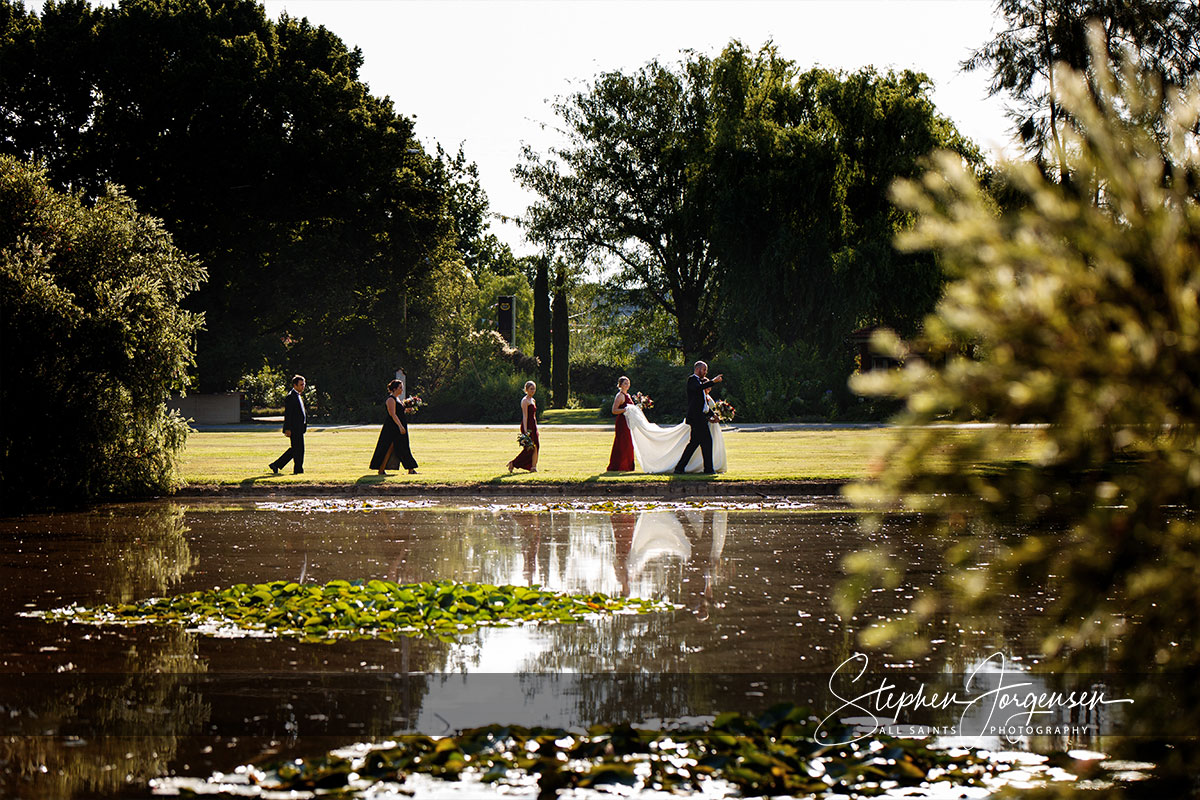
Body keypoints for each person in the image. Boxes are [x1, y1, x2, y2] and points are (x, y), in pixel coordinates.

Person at [674, 361, 723, 474]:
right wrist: (713, 381)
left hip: (699, 417)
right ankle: (708, 469)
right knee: (707, 442)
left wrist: (712, 415)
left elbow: (703, 406)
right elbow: (698, 388)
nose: (705, 372)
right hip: (697, 419)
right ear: (697, 369)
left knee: (693, 444)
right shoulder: (692, 380)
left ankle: (679, 468)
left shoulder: (699, 383)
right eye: (704, 370)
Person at [369, 378, 418, 475]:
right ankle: (381, 469)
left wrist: (407, 410)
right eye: (400, 388)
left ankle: (411, 469)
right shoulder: (390, 399)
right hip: (392, 427)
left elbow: (399, 411)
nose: (402, 390)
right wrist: (400, 426)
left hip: (399, 426)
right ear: (394, 389)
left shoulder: (398, 399)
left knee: (403, 447)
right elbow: (393, 414)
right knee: (388, 447)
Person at [269, 375, 307, 475]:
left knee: (297, 449)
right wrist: (287, 428)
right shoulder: (291, 397)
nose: (303, 386)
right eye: (301, 384)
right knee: (297, 449)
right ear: (295, 385)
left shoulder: (297, 395)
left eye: (304, 384)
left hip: (299, 428)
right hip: (294, 428)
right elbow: (288, 415)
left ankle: (276, 465)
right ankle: (297, 470)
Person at [506, 380, 539, 473]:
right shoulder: (525, 401)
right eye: (531, 389)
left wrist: (536, 427)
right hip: (527, 426)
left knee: (537, 446)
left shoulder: (533, 400)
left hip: (533, 426)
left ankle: (533, 467)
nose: (533, 391)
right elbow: (525, 416)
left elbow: (534, 416)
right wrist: (525, 431)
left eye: (534, 389)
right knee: (529, 448)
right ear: (527, 389)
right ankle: (513, 463)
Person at [607, 376, 635, 471]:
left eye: (628, 383)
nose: (627, 385)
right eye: (625, 383)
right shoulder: (620, 396)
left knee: (628, 443)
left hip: (628, 422)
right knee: (622, 443)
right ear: (620, 385)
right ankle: (619, 465)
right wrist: (625, 410)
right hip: (622, 422)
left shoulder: (628, 395)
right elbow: (614, 410)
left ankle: (628, 465)